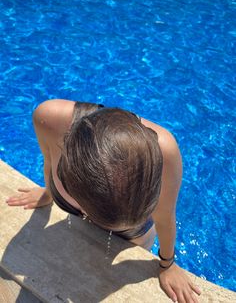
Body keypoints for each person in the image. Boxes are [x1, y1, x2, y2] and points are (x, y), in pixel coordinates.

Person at [6, 99, 201, 303]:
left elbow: (165, 217)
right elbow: (49, 158)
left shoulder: (165, 153)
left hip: (134, 236)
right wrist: (49, 192)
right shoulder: (49, 118)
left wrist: (167, 264)